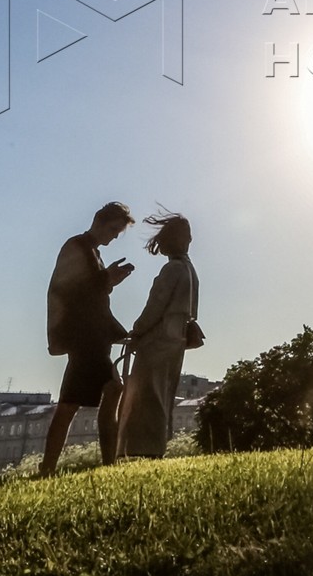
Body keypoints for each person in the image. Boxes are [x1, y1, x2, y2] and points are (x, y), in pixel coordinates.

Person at [42, 201, 136, 476]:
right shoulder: (77, 247)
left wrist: (108, 280)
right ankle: (105, 464)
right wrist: (107, 279)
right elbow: (70, 291)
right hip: (85, 339)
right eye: (114, 229)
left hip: (90, 339)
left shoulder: (89, 251)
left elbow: (91, 294)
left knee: (77, 401)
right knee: (91, 396)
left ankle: (52, 467)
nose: (115, 236)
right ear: (99, 221)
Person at [117, 212, 200, 459]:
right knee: (162, 395)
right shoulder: (189, 270)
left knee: (147, 395)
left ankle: (143, 449)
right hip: (176, 339)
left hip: (158, 339)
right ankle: (154, 448)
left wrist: (137, 331)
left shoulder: (172, 269)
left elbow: (155, 306)